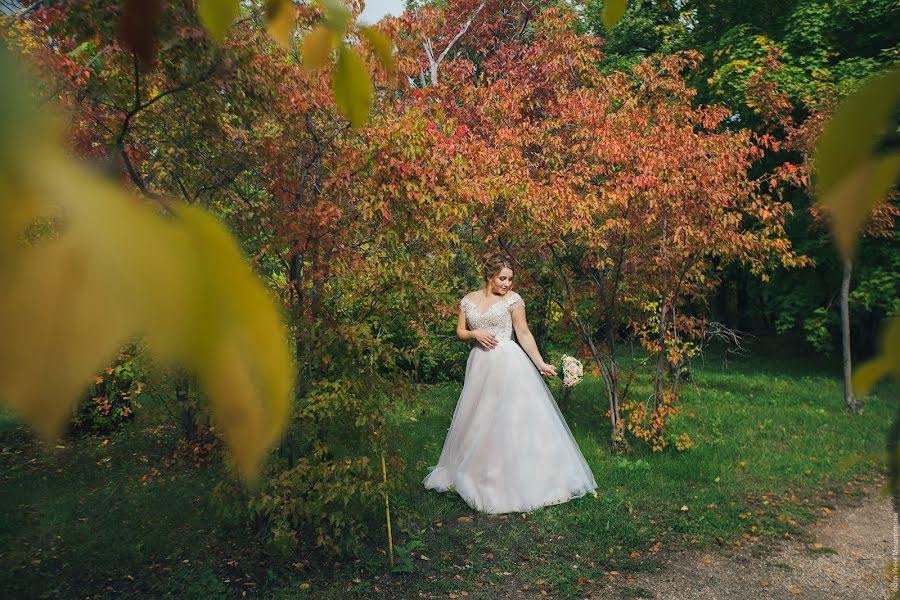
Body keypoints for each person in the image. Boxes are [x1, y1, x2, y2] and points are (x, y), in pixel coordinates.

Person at [423, 252, 597, 514]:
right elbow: (460, 332)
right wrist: (474, 333)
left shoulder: (514, 301)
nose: (507, 284)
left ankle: (516, 478)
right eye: (502, 278)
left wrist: (540, 364)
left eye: (510, 279)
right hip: (480, 364)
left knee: (510, 418)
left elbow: (524, 333)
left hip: (508, 363)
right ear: (489, 277)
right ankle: (477, 472)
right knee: (478, 418)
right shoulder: (468, 300)